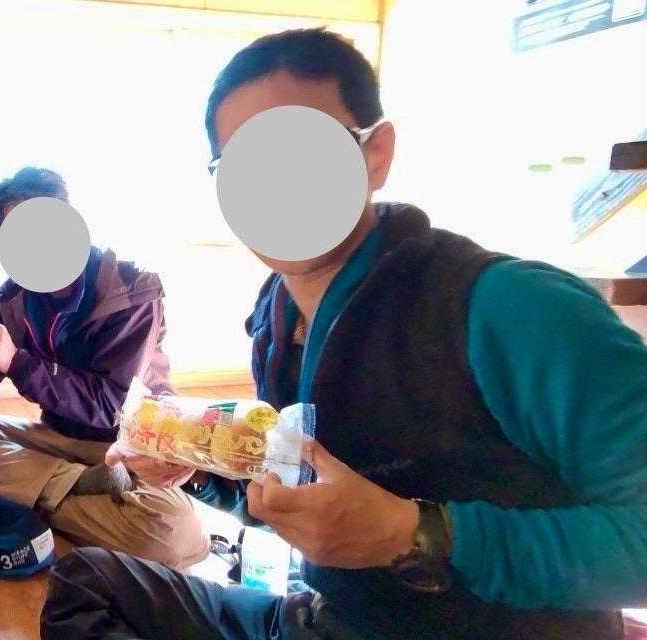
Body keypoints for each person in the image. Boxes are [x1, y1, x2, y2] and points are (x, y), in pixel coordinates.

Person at [42, 28, 646, 639]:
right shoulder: (278, 316)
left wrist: (416, 533)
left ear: (375, 154)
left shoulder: (512, 307)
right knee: (85, 583)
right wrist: (196, 470)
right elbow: (303, 498)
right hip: (330, 617)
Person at [0, 167, 210, 569]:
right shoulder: (8, 301)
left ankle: (24, 491)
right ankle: (67, 487)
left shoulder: (130, 291)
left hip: (130, 448)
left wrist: (17, 362)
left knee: (177, 537)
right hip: (56, 440)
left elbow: (113, 407)